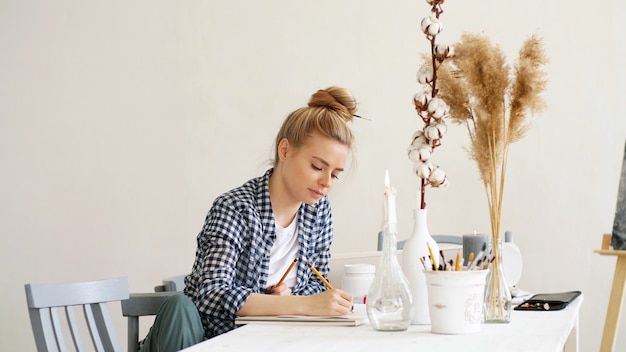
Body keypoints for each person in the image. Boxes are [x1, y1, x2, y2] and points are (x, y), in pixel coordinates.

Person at [140, 86, 359, 351]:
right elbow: (212, 294)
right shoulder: (234, 208)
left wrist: (291, 296)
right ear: (285, 150)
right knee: (179, 305)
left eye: (335, 174)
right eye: (317, 167)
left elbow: (316, 282)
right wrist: (298, 304)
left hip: (268, 340)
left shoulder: (318, 212)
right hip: (209, 341)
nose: (326, 183)